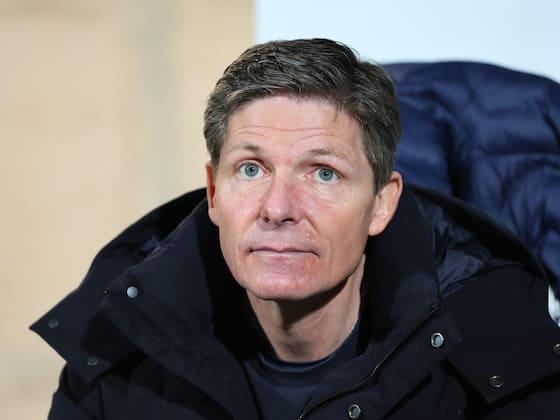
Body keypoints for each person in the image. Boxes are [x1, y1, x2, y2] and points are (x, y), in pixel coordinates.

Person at [32, 39, 560, 420]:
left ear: (382, 204)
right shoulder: (119, 353)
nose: (277, 208)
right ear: (213, 193)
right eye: (251, 169)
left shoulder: (500, 359)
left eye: (322, 172)